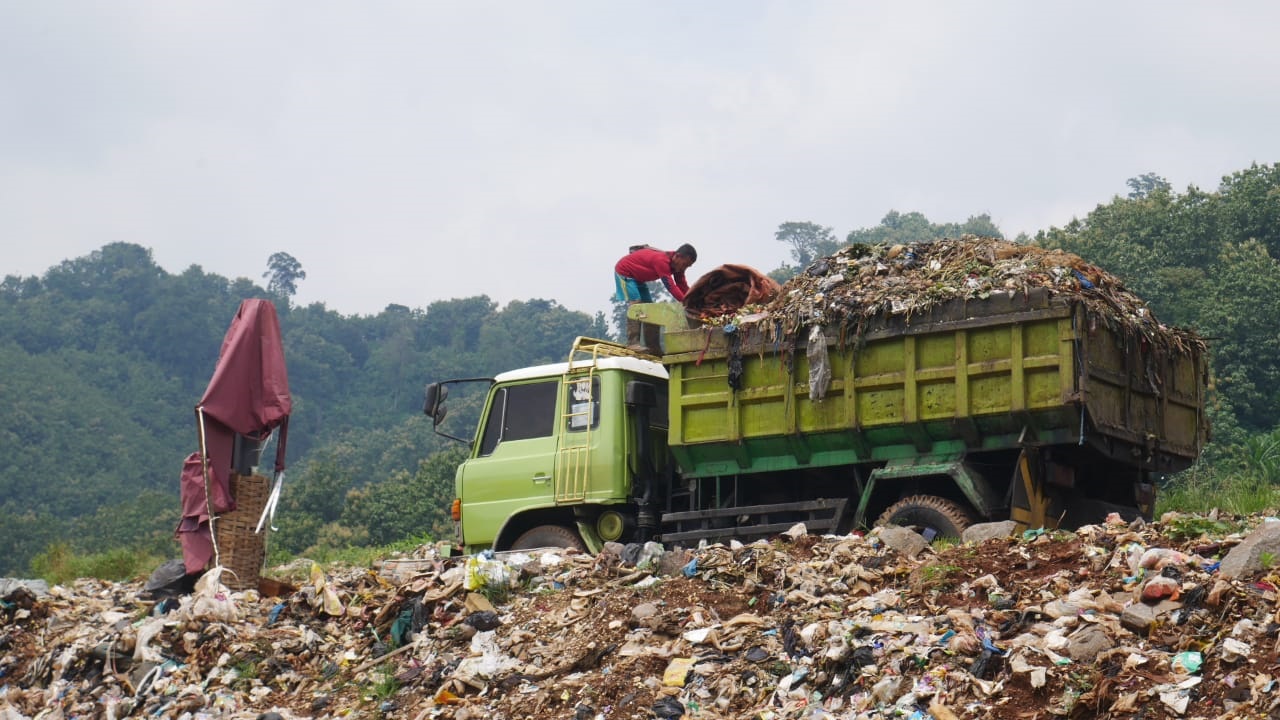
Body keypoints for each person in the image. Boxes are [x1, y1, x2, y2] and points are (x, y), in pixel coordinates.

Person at [614, 243, 697, 353]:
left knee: (650, 309)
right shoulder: (661, 261)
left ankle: (653, 347)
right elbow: (670, 286)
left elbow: (682, 284)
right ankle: (632, 343)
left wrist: (694, 299)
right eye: (684, 264)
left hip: (638, 278)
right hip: (625, 273)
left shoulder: (677, 266)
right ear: (678, 256)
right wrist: (685, 303)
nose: (684, 268)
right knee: (636, 304)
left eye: (687, 266)